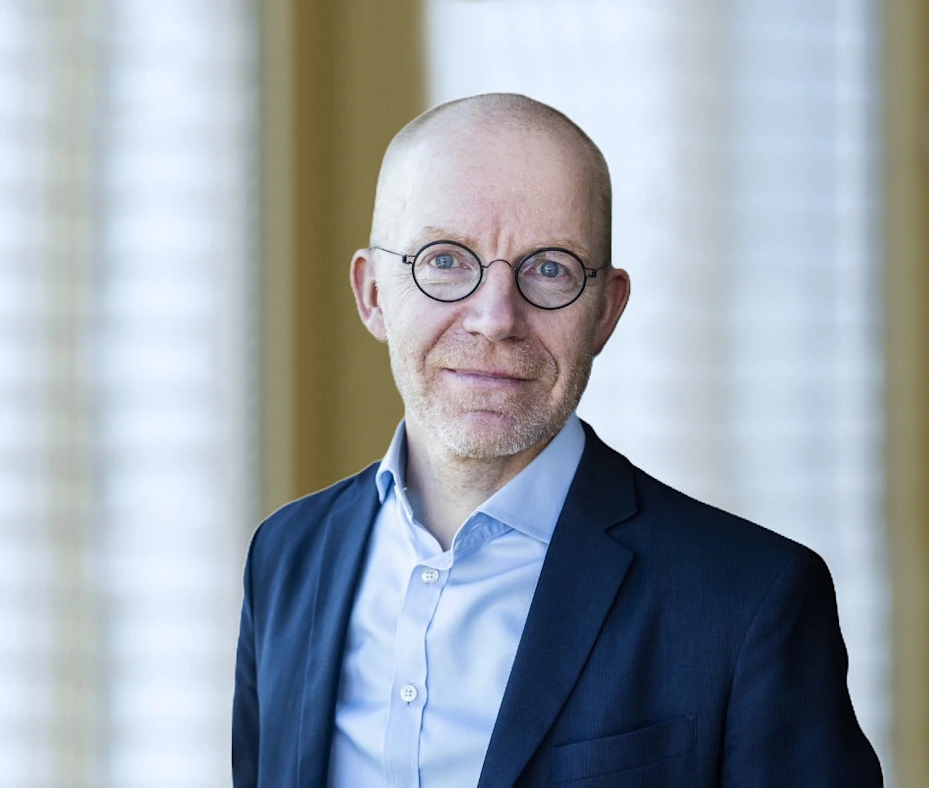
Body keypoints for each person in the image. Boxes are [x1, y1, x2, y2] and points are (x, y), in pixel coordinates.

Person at [232, 92, 882, 788]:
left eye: (549, 268)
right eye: (445, 260)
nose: (496, 318)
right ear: (372, 295)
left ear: (605, 312)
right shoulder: (285, 556)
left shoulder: (751, 602)